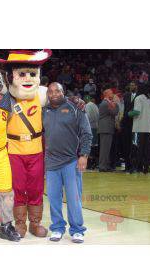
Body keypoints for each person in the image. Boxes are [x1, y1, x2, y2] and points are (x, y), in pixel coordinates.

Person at [43, 83, 92, 243]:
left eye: (57, 91)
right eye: (50, 91)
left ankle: (77, 229)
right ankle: (57, 228)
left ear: (63, 92)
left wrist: (84, 155)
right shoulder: (45, 110)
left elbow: (86, 133)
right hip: (51, 163)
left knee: (73, 198)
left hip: (71, 161)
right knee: (54, 198)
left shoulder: (75, 108)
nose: (53, 94)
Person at [129, 84, 150, 174]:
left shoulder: (138, 98)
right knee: (146, 150)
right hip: (148, 129)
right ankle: (146, 168)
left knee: (136, 148)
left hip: (138, 128)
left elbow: (136, 112)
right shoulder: (149, 100)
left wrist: (128, 113)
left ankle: (135, 168)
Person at [98, 89, 119, 172]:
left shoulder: (106, 103)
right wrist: (117, 103)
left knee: (106, 149)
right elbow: (115, 112)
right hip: (105, 128)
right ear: (106, 94)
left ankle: (105, 166)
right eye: (111, 93)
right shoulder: (106, 103)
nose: (113, 94)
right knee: (104, 149)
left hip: (106, 128)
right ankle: (102, 166)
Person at [121, 81, 138, 172]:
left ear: (136, 86)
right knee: (126, 145)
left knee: (134, 145)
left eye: (133, 85)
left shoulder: (139, 96)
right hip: (126, 123)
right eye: (130, 85)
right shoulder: (126, 95)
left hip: (136, 123)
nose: (131, 86)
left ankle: (134, 166)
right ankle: (127, 166)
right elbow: (124, 109)